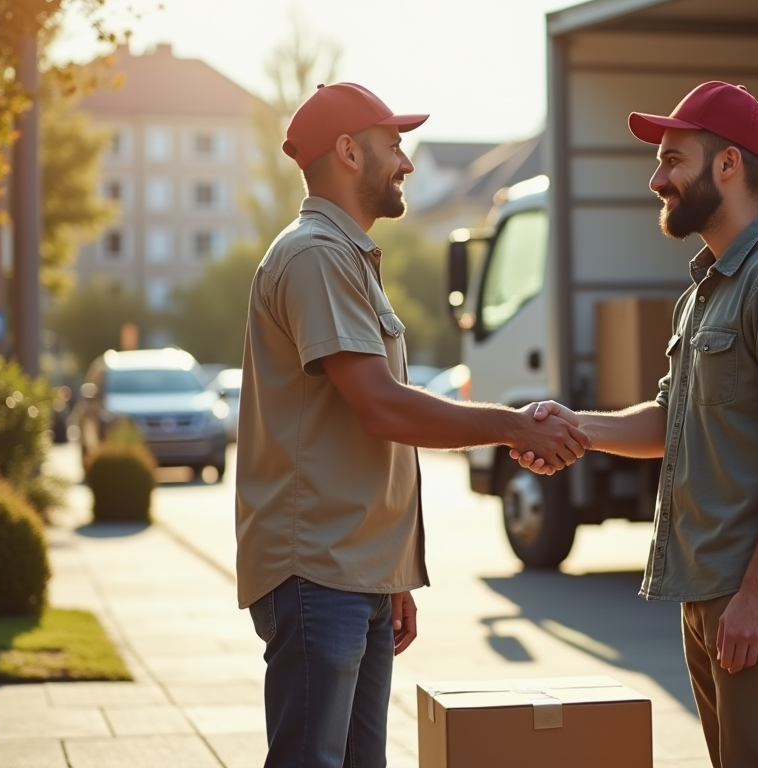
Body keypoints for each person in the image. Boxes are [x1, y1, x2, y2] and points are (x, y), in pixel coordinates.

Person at [234, 81, 590, 768]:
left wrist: (392, 573)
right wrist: (514, 426)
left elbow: (366, 426)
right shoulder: (316, 255)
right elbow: (382, 406)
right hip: (319, 571)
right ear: (347, 151)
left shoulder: (348, 257)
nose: (407, 162)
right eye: (393, 145)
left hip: (354, 571)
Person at [514, 81, 758, 768]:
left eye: (673, 159)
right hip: (709, 587)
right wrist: (577, 426)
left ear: (728, 165)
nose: (656, 177)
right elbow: (672, 421)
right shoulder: (704, 292)